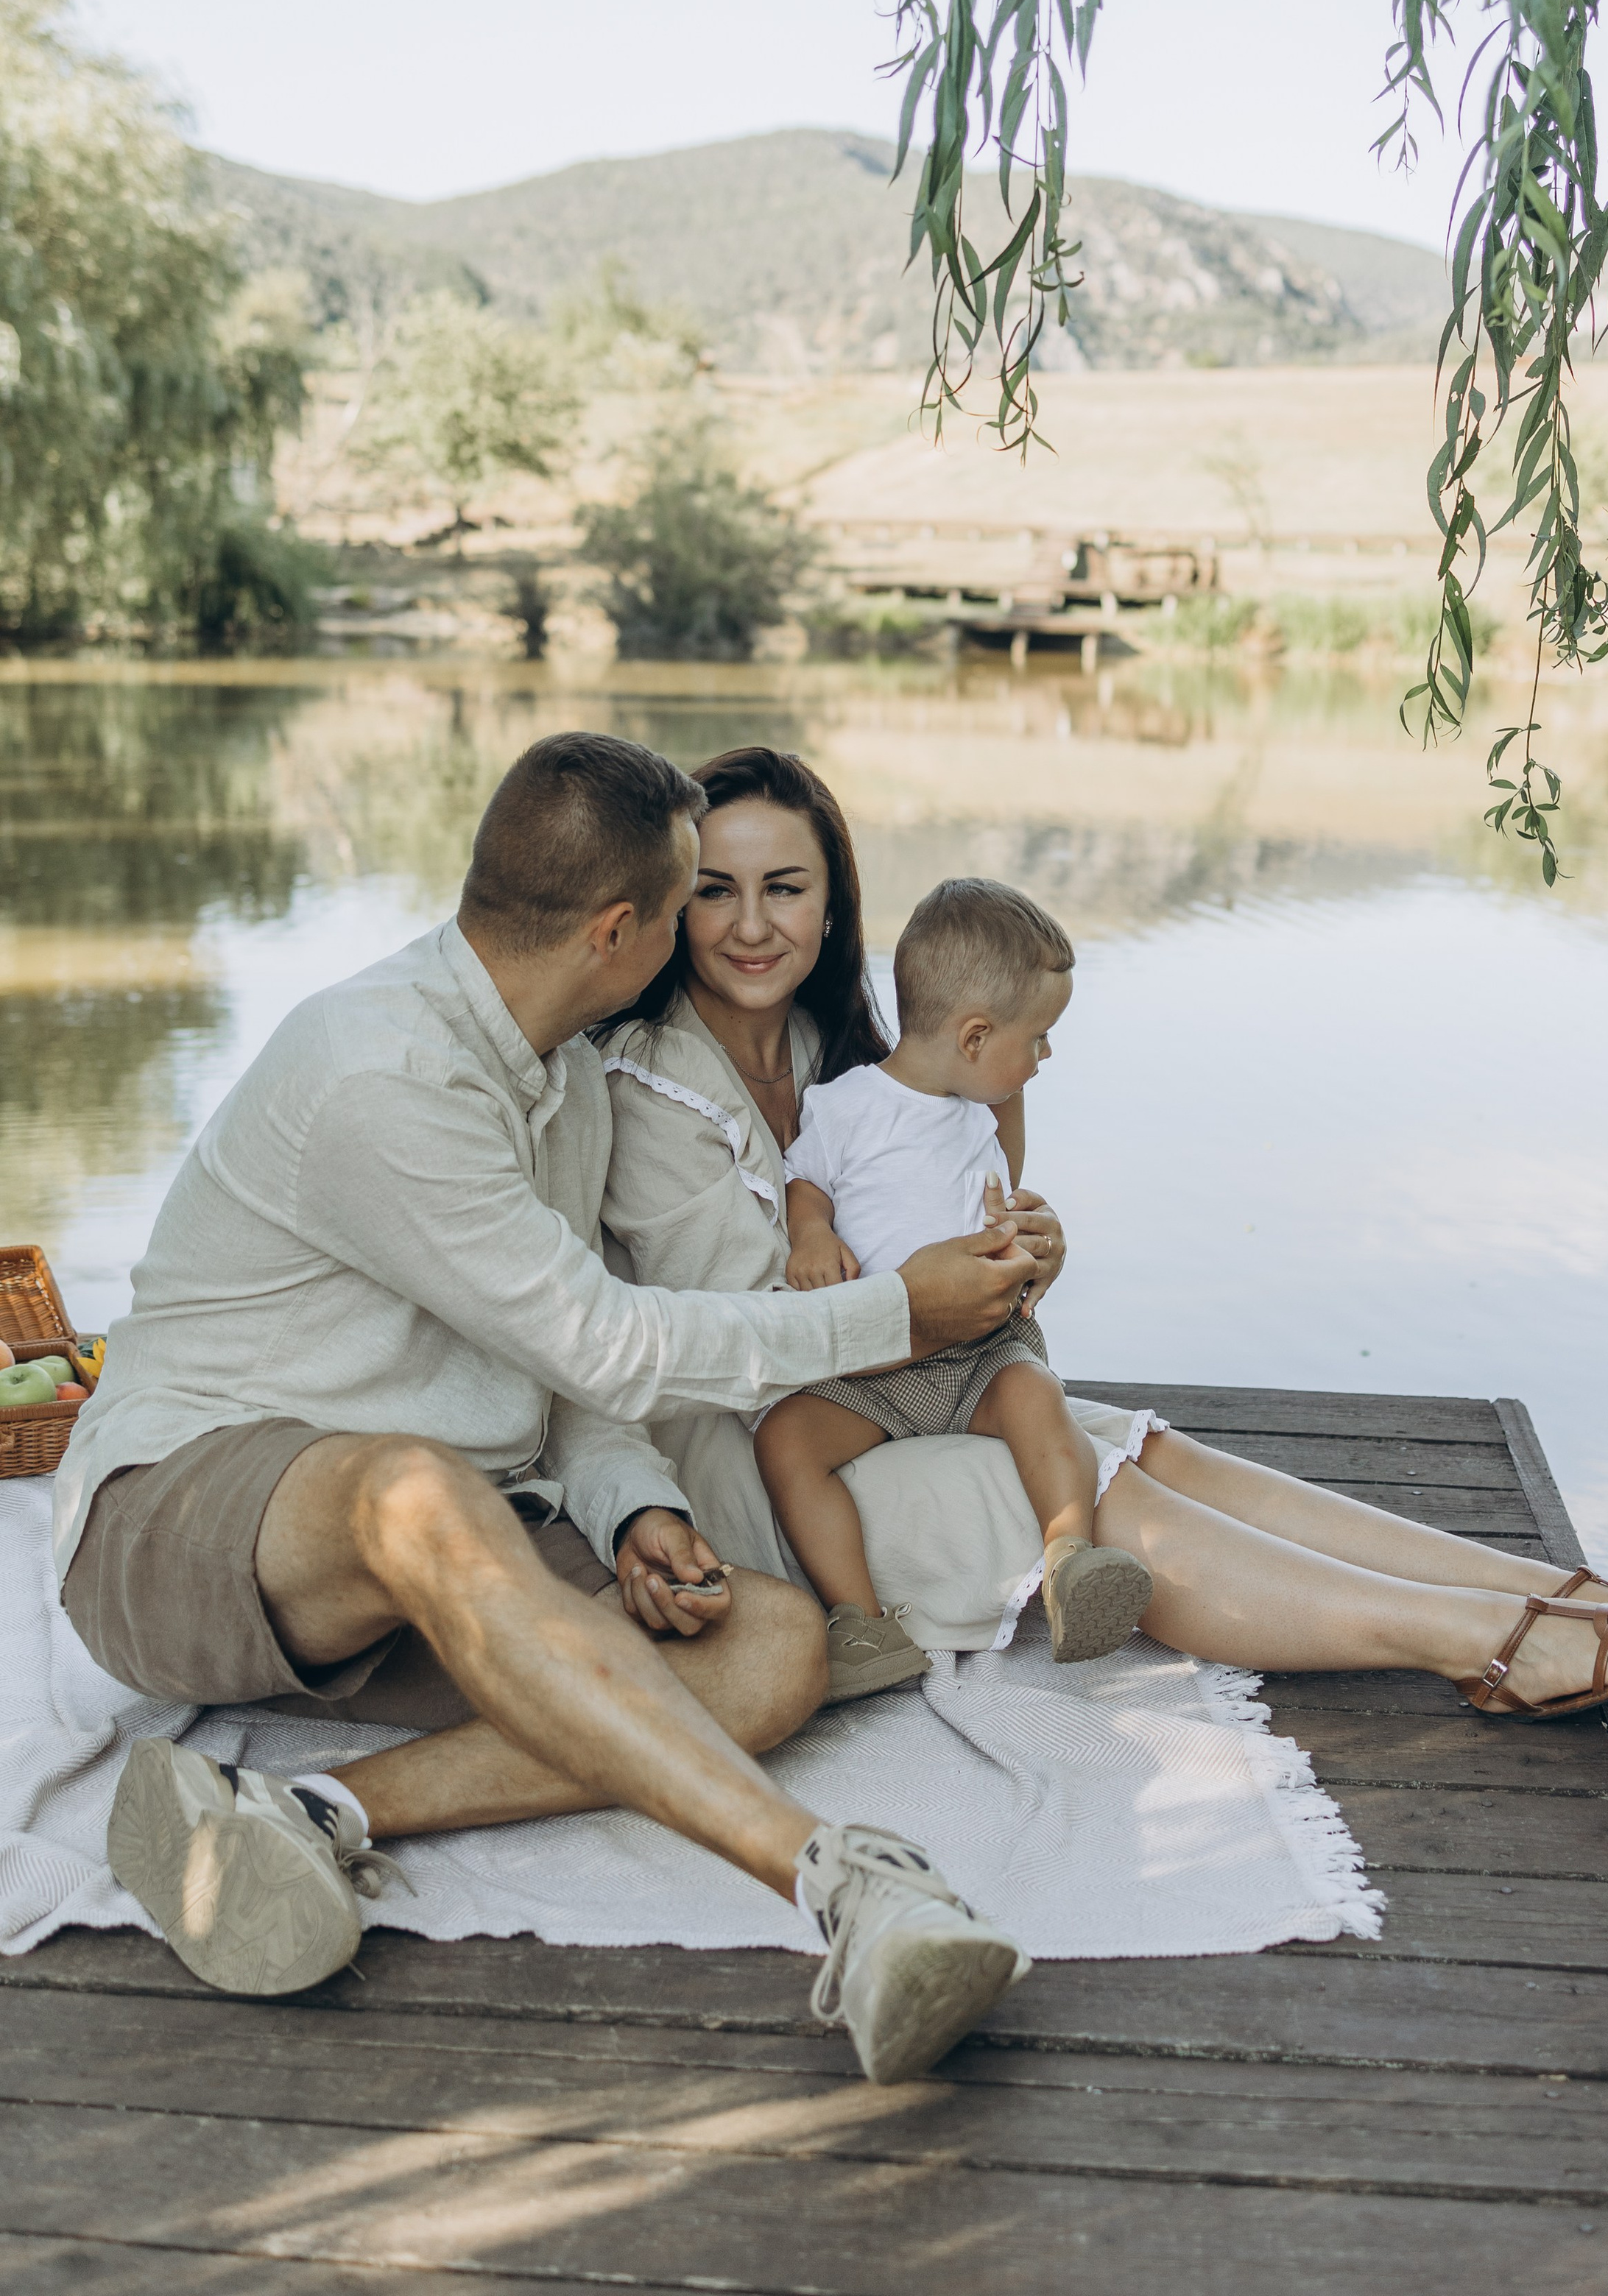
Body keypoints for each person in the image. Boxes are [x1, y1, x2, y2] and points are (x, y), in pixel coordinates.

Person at [55, 731, 1036, 2084]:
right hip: (182, 1523)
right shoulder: (380, 1074)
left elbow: (559, 1360)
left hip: (440, 1534)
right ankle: (840, 1886)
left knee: (772, 1643)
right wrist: (896, 1316)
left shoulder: (564, 1067)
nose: (714, 933)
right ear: (620, 930)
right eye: (694, 897)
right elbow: (606, 1337)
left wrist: (630, 1500)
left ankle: (306, 1810)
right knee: (413, 1487)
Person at [596, 745, 1608, 1725]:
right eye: (715, 891)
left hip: (910, 1377)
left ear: (833, 902)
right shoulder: (649, 1086)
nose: (751, 925)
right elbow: (719, 1342)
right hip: (779, 1457)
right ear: (672, 900)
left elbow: (939, 1191)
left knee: (1158, 1451)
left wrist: (1021, 1246)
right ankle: (1490, 1648)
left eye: (785, 887)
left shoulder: (833, 1047)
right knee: (1108, 1498)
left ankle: (1553, 1591)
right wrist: (927, 1300)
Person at [763, 876, 1153, 1697]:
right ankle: (861, 1624)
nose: (1044, 1057)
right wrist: (810, 1233)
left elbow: (1005, 1194)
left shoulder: (988, 1104)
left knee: (1036, 1399)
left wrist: (1037, 1237)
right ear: (974, 1036)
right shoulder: (845, 1106)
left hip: (980, 1355)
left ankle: (1070, 1558)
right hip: (874, 1369)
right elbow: (809, 1180)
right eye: (1039, 1038)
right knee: (787, 1443)